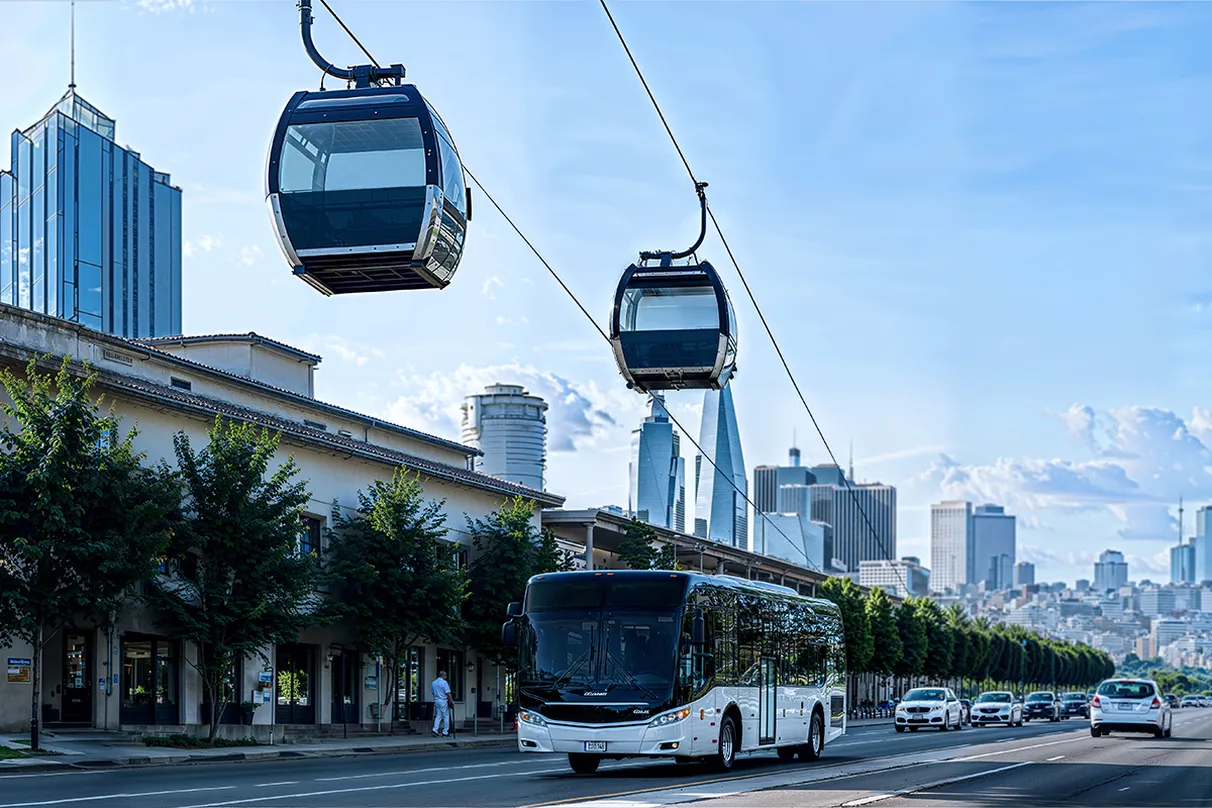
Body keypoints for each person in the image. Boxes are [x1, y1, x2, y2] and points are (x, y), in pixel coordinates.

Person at [431, 670, 454, 737]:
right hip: (443, 700)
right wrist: (451, 700)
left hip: (437, 699)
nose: (446, 677)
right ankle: (445, 731)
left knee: (438, 715)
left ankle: (435, 730)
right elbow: (448, 693)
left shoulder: (434, 683)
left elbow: (433, 692)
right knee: (446, 716)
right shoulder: (444, 683)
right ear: (443, 676)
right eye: (445, 676)